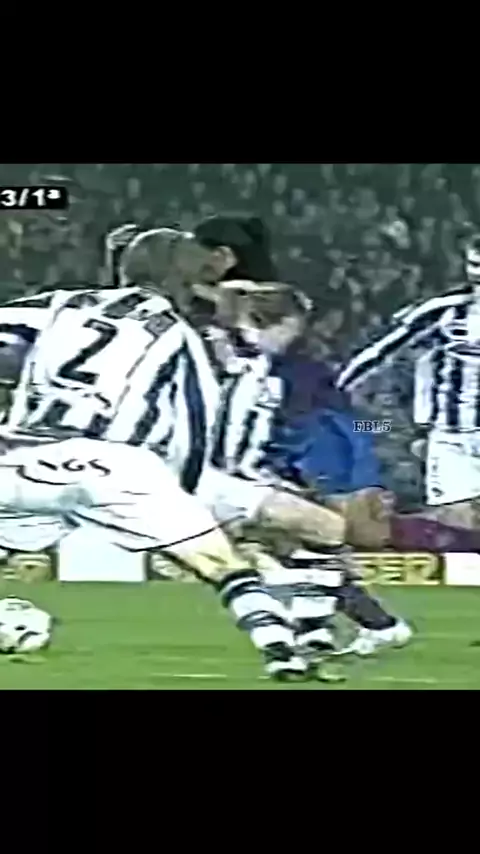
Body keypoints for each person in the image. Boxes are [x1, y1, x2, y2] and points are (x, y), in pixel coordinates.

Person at [0, 273, 310, 681]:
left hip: (27, 452)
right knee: (223, 563)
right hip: (120, 461)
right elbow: (197, 420)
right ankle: (282, 650)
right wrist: (185, 494)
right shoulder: (182, 337)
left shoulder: (65, 304)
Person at [206, 279, 412, 657]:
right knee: (299, 549)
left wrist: (384, 431)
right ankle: (362, 625)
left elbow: (338, 421)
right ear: (287, 322)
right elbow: (342, 419)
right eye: (296, 323)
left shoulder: (286, 369)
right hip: (286, 465)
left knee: (304, 547)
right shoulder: (279, 366)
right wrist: (386, 430)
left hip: (299, 464)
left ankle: (351, 627)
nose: (298, 332)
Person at [336, 233, 480, 536]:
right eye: (473, 264)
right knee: (456, 520)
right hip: (439, 433)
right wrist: (338, 392)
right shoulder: (443, 312)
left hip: (408, 430)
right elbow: (379, 354)